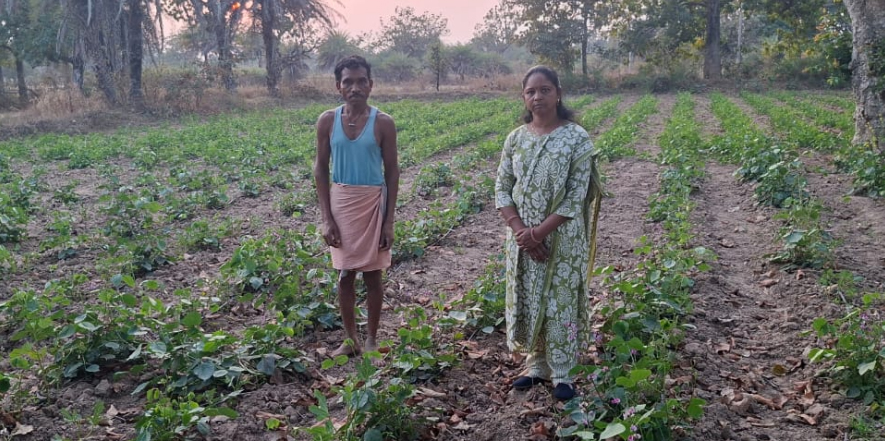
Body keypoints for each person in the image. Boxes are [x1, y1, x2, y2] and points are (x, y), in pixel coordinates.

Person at [495, 65, 603, 401]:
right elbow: (502, 188)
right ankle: (536, 366)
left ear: (558, 93)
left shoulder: (576, 138)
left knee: (561, 301)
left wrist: (539, 233)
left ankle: (563, 373)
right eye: (531, 91)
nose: (537, 97)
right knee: (529, 297)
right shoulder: (515, 138)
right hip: (523, 241)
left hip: (562, 239)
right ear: (523, 97)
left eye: (545, 90)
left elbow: (575, 195)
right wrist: (522, 233)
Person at [314, 55, 399, 357]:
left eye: (361, 81)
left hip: (372, 203)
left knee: (373, 275)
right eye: (348, 82)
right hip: (342, 205)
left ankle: (372, 339)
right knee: (345, 275)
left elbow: (392, 171)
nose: (355, 88)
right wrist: (326, 218)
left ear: (371, 84)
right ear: (338, 86)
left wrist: (388, 221)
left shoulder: (383, 123)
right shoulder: (327, 121)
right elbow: (320, 168)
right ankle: (351, 340)